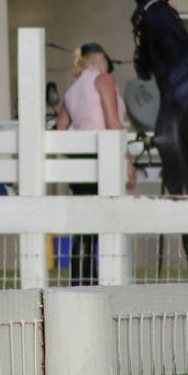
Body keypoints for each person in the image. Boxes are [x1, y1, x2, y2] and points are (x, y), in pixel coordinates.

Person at [55, 42, 136, 285]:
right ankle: (102, 283)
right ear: (100, 57)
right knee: (104, 224)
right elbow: (112, 122)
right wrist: (128, 161)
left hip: (79, 164)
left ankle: (79, 282)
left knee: (82, 228)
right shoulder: (103, 80)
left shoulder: (71, 91)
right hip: (103, 161)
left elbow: (59, 131)